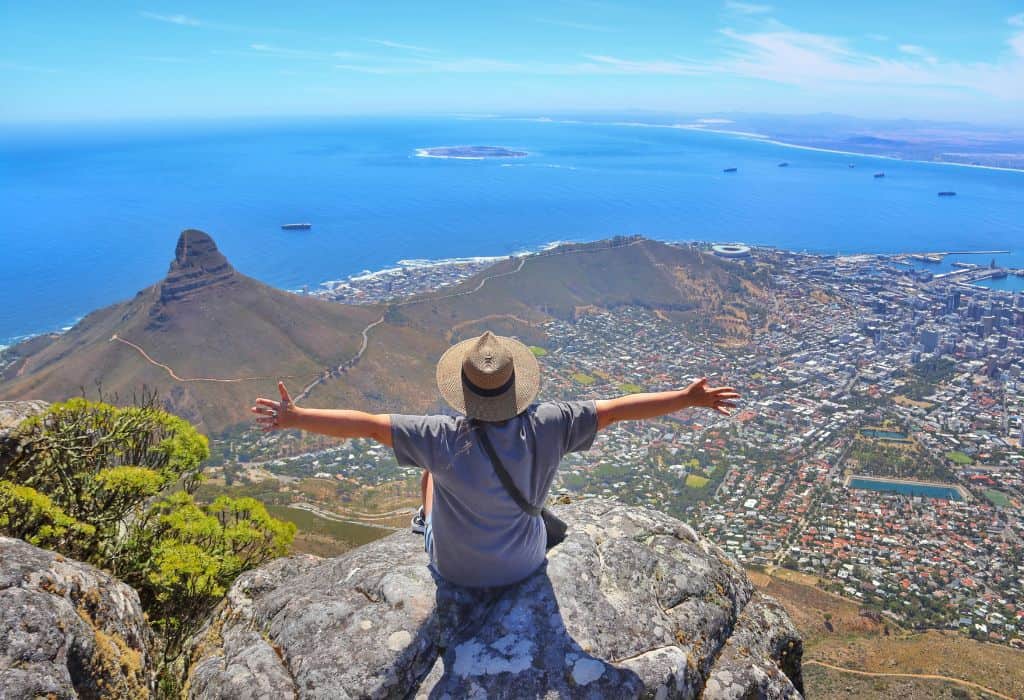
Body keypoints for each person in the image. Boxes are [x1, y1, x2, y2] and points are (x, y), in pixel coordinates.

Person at [251, 331, 739, 588]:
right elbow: (617, 411)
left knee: (429, 471)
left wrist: (295, 418)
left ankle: (422, 522)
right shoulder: (552, 423)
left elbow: (365, 423)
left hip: (454, 570)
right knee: (536, 509)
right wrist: (685, 398)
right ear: (517, 387)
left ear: (463, 392)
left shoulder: (439, 436)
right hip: (524, 566)